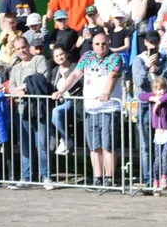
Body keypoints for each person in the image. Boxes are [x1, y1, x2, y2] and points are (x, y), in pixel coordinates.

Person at [52, 32, 124, 190]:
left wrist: (107, 92)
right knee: (94, 146)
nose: (100, 47)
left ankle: (109, 178)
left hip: (109, 108)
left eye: (104, 43)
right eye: (97, 44)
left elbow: (112, 76)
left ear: (109, 42)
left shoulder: (115, 57)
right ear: (92, 44)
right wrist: (61, 90)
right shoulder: (87, 56)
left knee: (108, 145)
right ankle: (98, 178)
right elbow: (75, 74)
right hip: (90, 108)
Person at [131, 30, 167, 188]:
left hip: (164, 107)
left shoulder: (166, 60)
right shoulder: (138, 60)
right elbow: (137, 82)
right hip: (145, 106)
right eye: (150, 42)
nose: (153, 45)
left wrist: (158, 71)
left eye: (156, 42)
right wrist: (146, 67)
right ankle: (148, 181)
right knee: (145, 146)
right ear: (145, 42)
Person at [7, 36, 53, 190]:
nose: (22, 51)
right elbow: (11, 88)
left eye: (23, 47)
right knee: (25, 145)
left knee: (41, 143)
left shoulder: (39, 59)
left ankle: (45, 176)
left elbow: (41, 79)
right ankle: (25, 177)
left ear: (28, 46)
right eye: (18, 49)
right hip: (22, 110)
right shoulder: (15, 68)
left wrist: (21, 88)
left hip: (39, 108)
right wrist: (20, 89)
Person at [138, 75, 167, 194]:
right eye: (158, 89)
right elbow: (140, 96)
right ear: (154, 90)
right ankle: (155, 182)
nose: (161, 91)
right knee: (157, 158)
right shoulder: (152, 96)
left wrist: (158, 103)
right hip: (157, 132)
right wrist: (153, 99)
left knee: (165, 156)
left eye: (163, 88)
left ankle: (164, 177)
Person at [48, 44, 80, 156]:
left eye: (61, 54)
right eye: (56, 56)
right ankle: (59, 140)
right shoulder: (54, 71)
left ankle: (66, 140)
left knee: (55, 112)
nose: (59, 57)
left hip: (73, 100)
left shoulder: (75, 67)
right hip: (60, 101)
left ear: (66, 54)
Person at [129, 0, 162, 64]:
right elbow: (140, 17)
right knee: (145, 59)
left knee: (159, 58)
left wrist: (161, 2)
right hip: (145, 33)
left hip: (158, 31)